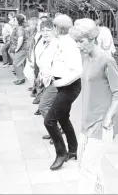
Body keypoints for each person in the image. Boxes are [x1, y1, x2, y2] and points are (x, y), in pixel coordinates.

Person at [69, 18, 118, 194]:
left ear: (92, 38)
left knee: (87, 168)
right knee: (86, 165)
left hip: (102, 123)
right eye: (76, 41)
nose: (78, 45)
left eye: (81, 41)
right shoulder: (85, 57)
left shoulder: (106, 60)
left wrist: (108, 118)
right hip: (87, 120)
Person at [44, 14, 82, 170]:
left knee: (49, 121)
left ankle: (62, 153)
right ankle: (74, 150)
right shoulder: (60, 42)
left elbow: (78, 70)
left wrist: (60, 82)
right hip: (64, 85)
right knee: (63, 118)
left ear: (56, 28)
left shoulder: (69, 45)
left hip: (69, 86)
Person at [9, 14, 27, 85]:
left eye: (14, 20)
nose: (13, 21)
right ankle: (21, 78)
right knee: (19, 64)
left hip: (22, 49)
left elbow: (20, 38)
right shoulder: (18, 28)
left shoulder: (19, 28)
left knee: (16, 63)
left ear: (17, 21)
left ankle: (21, 79)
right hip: (22, 48)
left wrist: (17, 48)